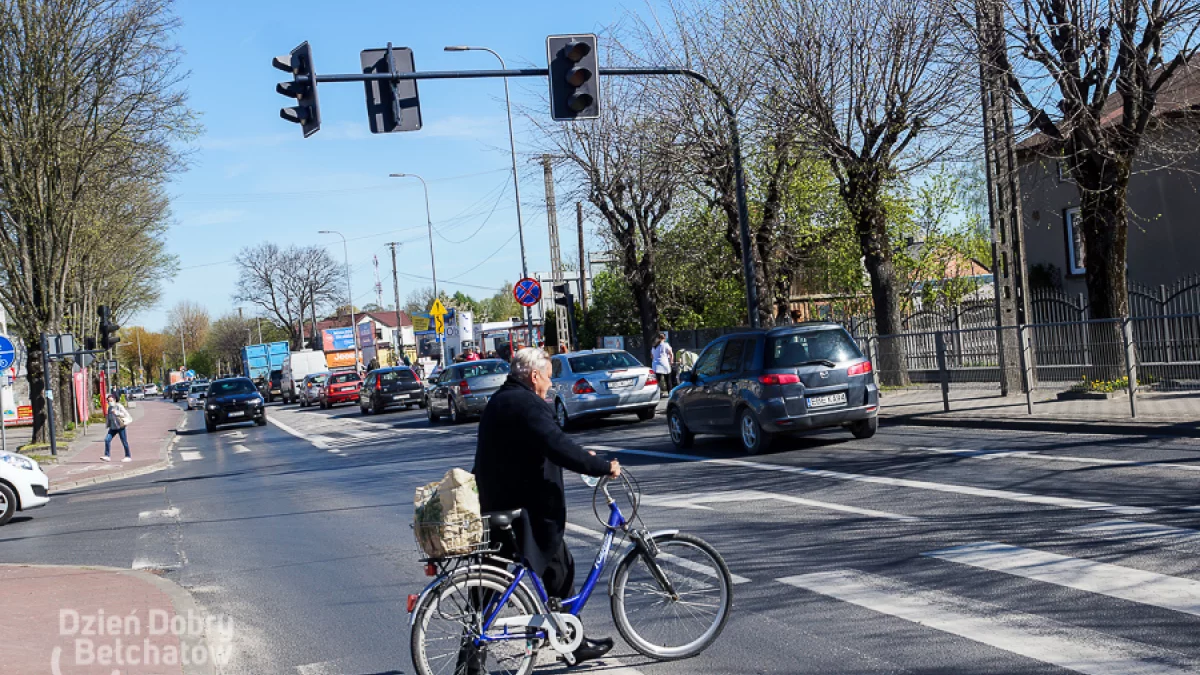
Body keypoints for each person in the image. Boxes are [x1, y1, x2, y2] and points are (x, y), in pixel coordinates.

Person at [473, 347, 621, 666]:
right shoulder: (528, 404)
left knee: (492, 582)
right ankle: (571, 643)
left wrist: (584, 457)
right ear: (534, 375)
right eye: (549, 379)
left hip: (496, 502)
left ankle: (470, 656)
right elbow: (557, 446)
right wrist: (600, 466)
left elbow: (545, 445)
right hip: (524, 509)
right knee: (559, 569)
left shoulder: (501, 400)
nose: (550, 387)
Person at [103, 394, 132, 463]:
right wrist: (107, 423)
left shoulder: (119, 406)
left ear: (115, 400)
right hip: (113, 427)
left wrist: (117, 413)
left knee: (124, 441)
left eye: (111, 401)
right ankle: (107, 456)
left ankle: (128, 456)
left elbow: (126, 415)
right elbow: (109, 418)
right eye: (108, 401)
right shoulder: (109, 408)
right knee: (107, 439)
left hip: (120, 426)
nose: (110, 402)